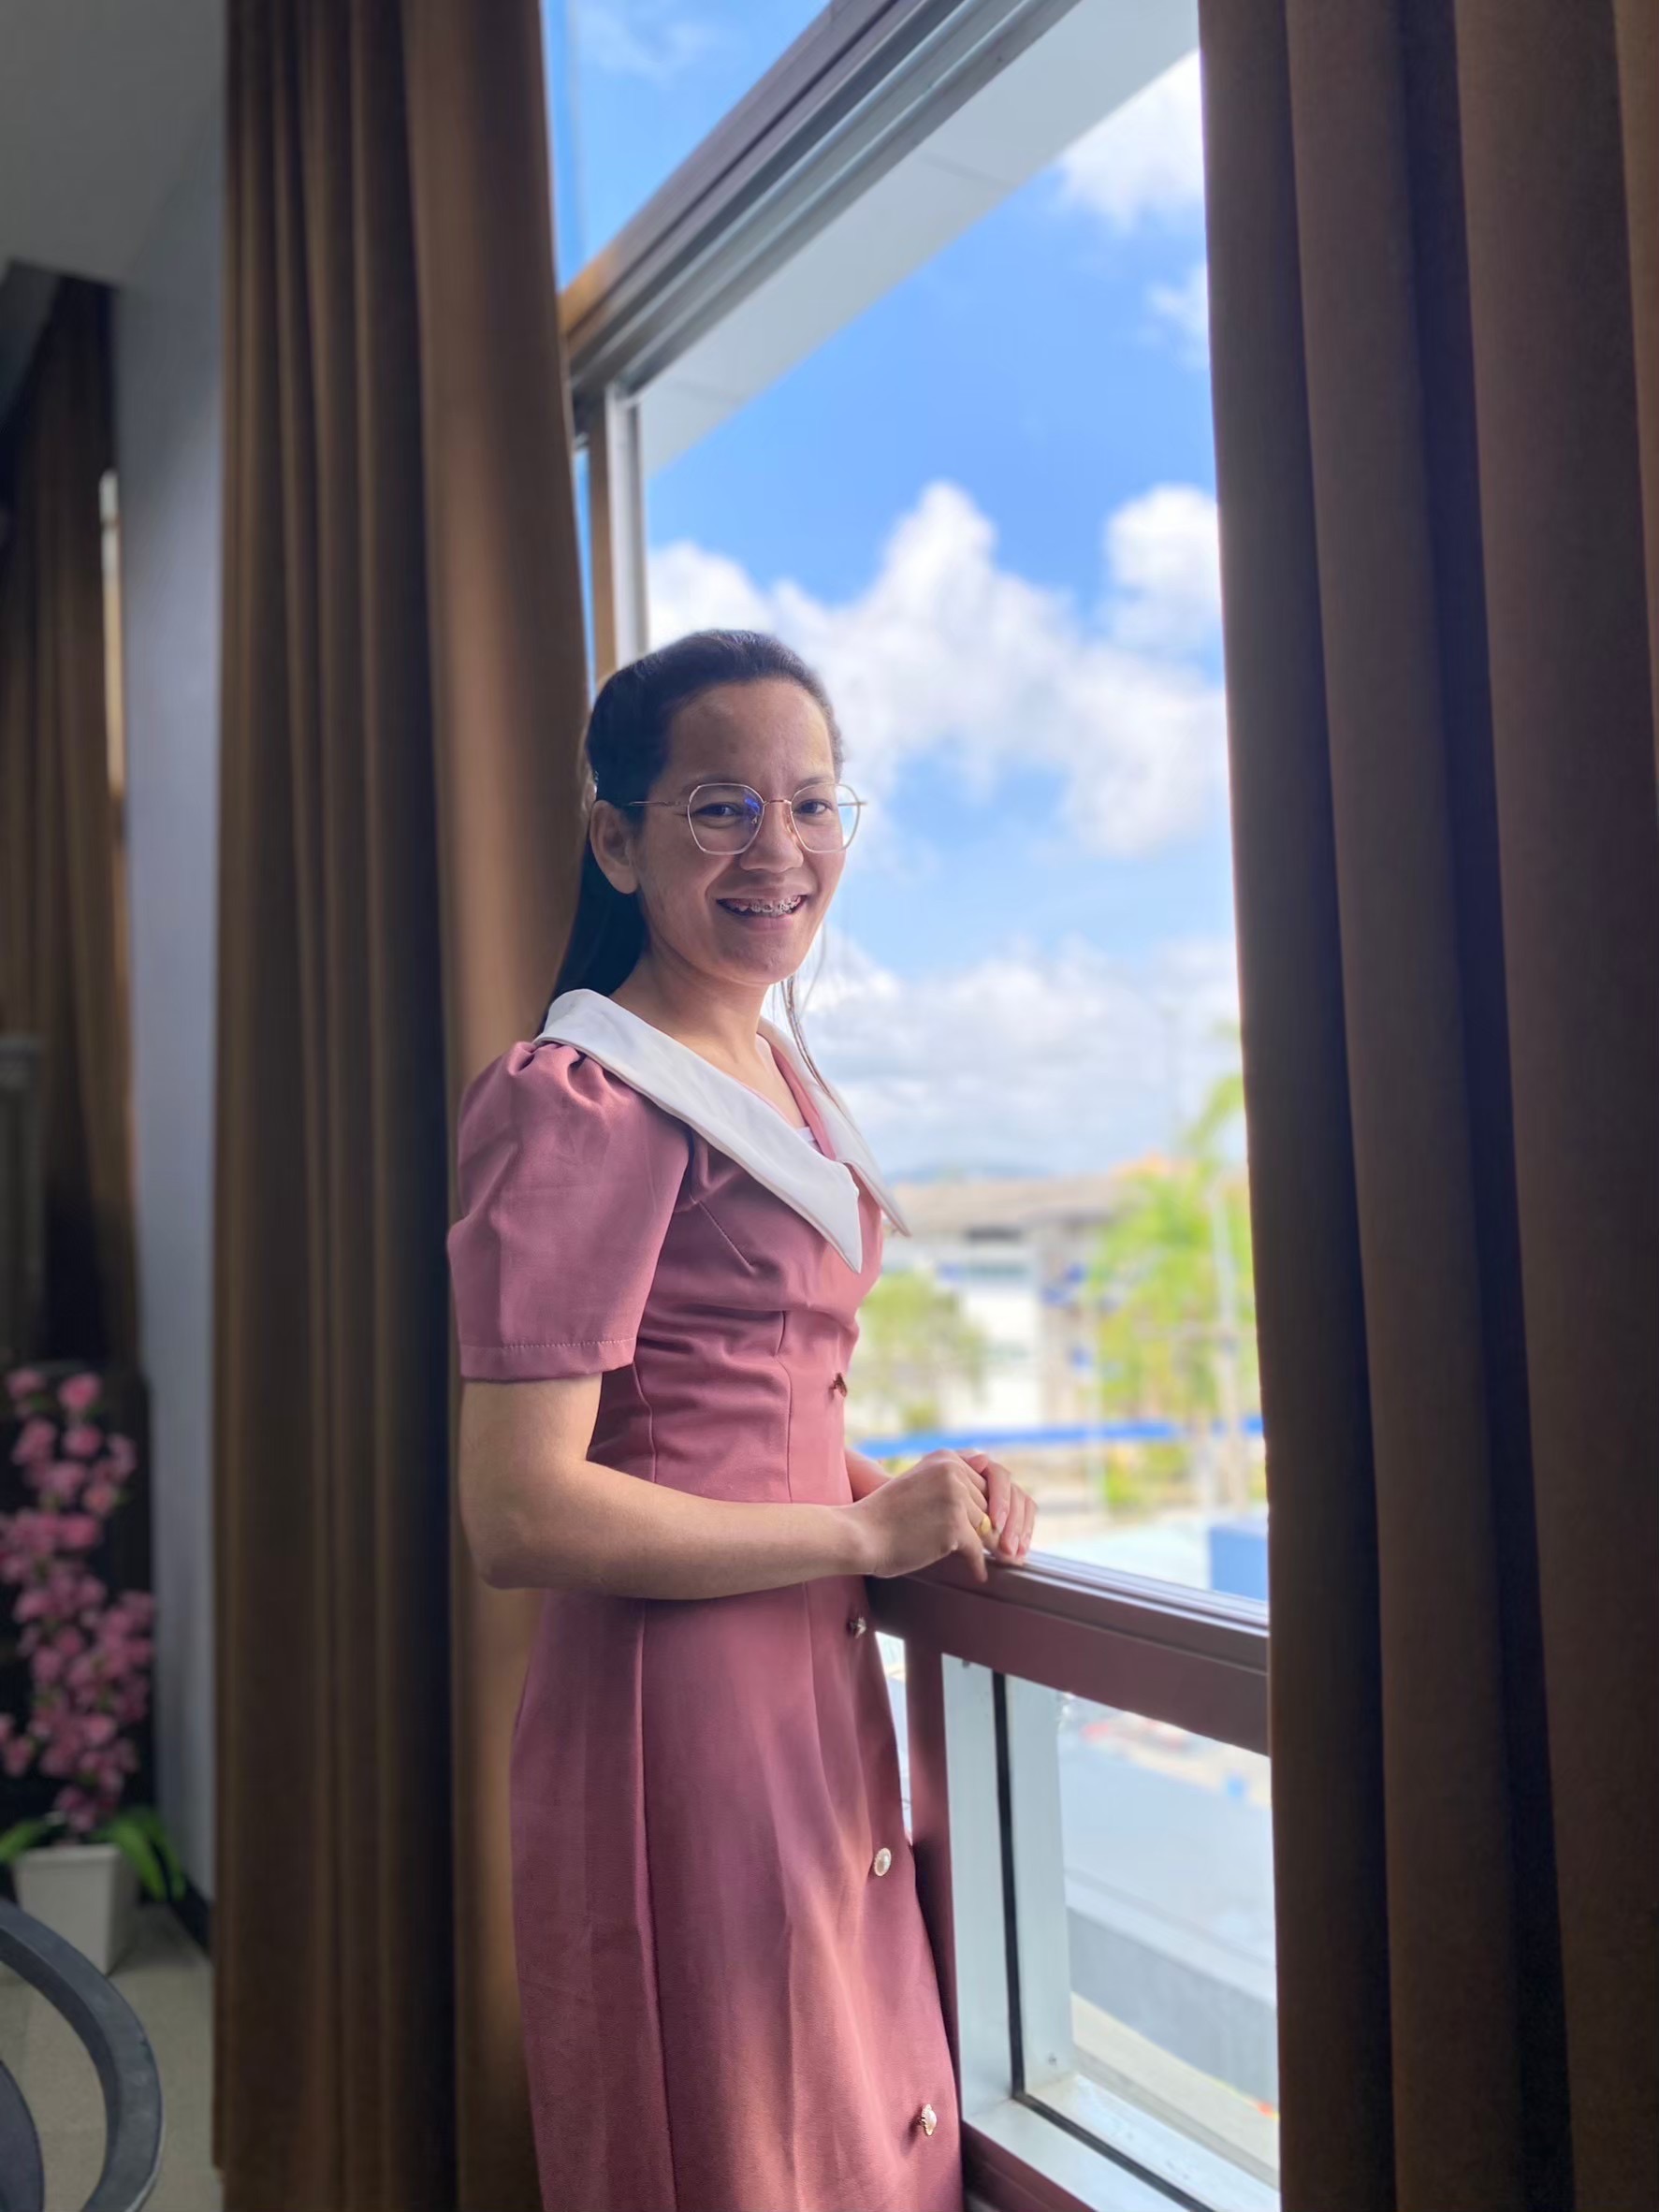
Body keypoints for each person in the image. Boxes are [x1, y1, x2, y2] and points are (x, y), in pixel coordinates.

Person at [446, 628, 1038, 2212]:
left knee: (832, 2121)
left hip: (797, 1669)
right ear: (615, 840)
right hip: (680, 1710)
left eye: (813, 803)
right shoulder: (580, 1097)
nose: (779, 849)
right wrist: (855, 1529)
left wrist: (903, 1488)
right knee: (744, 2139)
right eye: (720, 807)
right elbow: (519, 1509)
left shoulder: (768, 1063)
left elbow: (739, 1410)